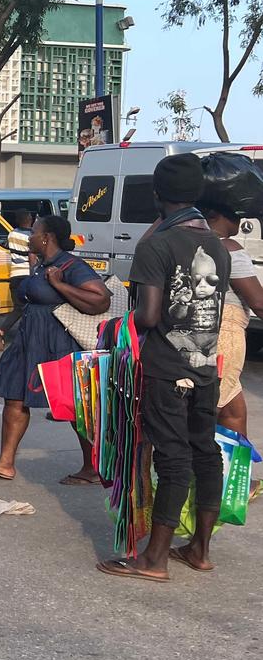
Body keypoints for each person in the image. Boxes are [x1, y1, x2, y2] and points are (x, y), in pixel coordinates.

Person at [100, 154, 230, 580]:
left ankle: (153, 559)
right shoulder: (218, 245)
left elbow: (149, 316)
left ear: (157, 195)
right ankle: (199, 549)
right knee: (205, 452)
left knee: (172, 458)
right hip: (206, 364)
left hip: (166, 367)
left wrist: (120, 321)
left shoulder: (156, 245)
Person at [0, 215, 110, 483]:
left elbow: (100, 299)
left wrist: (59, 284)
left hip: (56, 343)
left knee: (74, 406)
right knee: (14, 397)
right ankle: (5, 462)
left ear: (47, 237)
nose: (29, 237)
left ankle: (92, 468)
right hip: (28, 340)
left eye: (34, 232)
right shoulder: (41, 264)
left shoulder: (71, 266)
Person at [204, 206, 263, 442]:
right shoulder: (229, 247)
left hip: (197, 334)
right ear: (213, 213)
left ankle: (238, 476)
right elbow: (258, 302)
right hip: (225, 335)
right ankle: (203, 476)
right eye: (234, 213)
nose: (240, 218)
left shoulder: (184, 241)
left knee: (234, 411)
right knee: (208, 414)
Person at [0, 208, 35, 349]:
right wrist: (34, 275)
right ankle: (27, 339)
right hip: (26, 276)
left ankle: (1, 331)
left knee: (18, 308)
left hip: (14, 275)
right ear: (30, 219)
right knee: (30, 309)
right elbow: (32, 257)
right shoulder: (31, 236)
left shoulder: (12, 234)